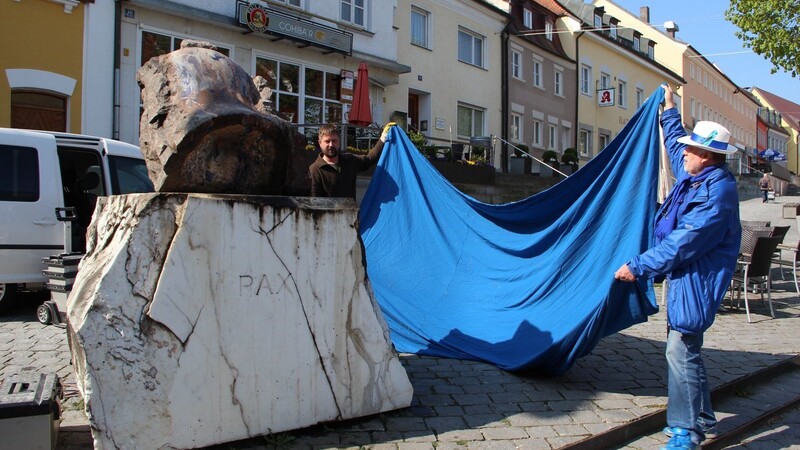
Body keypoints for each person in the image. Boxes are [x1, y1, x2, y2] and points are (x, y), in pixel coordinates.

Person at [613, 85, 741, 450]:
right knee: (687, 348)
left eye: (691, 148)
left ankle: (686, 431)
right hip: (687, 278)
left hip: (697, 281)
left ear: (707, 155)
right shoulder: (699, 176)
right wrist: (669, 111)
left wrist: (638, 267)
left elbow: (683, 243)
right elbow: (673, 146)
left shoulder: (716, 196)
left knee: (680, 349)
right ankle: (702, 417)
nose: (683, 152)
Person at [309, 122, 395, 198]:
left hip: (351, 214)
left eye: (334, 141)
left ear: (339, 141)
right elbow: (315, 201)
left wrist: (384, 137)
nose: (331, 145)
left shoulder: (350, 160)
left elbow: (370, 159)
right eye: (327, 141)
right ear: (320, 143)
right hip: (328, 215)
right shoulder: (315, 170)